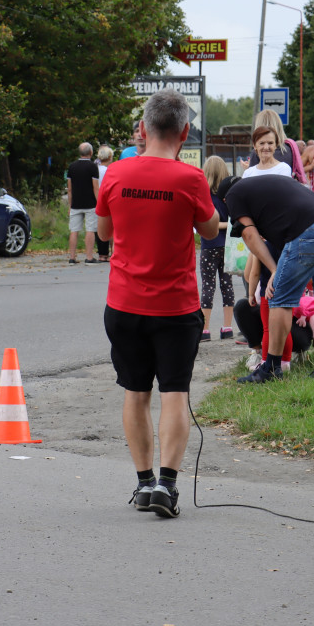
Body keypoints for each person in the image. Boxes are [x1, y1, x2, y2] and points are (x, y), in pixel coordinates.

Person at [95, 88, 219, 519]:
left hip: (124, 304)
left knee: (134, 394)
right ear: (185, 132)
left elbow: (105, 234)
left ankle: (143, 483)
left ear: (144, 129)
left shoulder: (114, 174)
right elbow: (209, 230)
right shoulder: (191, 179)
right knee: (174, 395)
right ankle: (167, 485)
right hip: (176, 308)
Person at [224, 174, 314, 382]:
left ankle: (271, 369)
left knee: (279, 298)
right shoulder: (271, 185)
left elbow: (249, 235)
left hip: (312, 229)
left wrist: (273, 270)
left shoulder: (233, 194)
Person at [240, 126, 296, 372]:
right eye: (261, 143)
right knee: (264, 292)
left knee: (278, 297)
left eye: (270, 143)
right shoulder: (249, 174)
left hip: (278, 237)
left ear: (277, 146)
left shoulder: (284, 169)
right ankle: (270, 360)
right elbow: (245, 208)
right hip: (257, 238)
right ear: (255, 146)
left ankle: (281, 361)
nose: (266, 148)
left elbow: (285, 202)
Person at [198, 156, 235, 342]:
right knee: (227, 285)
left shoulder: (204, 197)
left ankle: (205, 329)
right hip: (226, 246)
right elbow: (234, 221)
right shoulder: (229, 197)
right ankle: (227, 327)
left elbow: (202, 222)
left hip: (208, 246)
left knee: (208, 286)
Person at [66, 142, 99, 264]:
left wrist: (70, 205)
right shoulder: (92, 167)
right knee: (90, 229)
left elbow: (69, 189)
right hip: (90, 203)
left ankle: (72, 257)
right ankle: (89, 257)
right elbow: (95, 187)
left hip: (75, 204)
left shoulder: (72, 167)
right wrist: (100, 202)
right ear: (91, 153)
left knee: (74, 230)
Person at [95, 144, 114, 262]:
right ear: (109, 157)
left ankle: (102, 253)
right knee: (111, 228)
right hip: (108, 199)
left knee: (100, 228)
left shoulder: (95, 169)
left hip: (97, 200)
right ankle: (113, 251)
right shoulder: (109, 171)